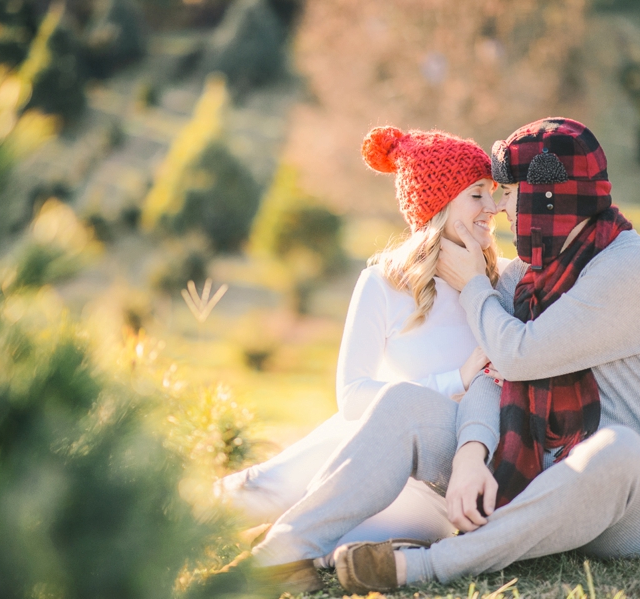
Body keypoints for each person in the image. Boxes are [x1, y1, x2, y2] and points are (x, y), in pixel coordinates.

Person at [245, 117, 640, 595]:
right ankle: (280, 554)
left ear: (551, 196)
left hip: (639, 498)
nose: (501, 208)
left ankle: (422, 566)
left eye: (511, 193)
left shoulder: (636, 268)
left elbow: (520, 355)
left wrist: (473, 288)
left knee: (617, 450)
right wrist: (469, 455)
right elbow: (490, 374)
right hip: (534, 469)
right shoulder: (524, 275)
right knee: (402, 405)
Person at [215, 126, 509, 567]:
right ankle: (174, 517)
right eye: (476, 195)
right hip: (370, 449)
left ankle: (279, 537)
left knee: (335, 548)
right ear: (440, 204)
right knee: (264, 490)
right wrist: (456, 379)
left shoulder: (502, 283)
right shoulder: (384, 283)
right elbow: (352, 397)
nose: (493, 208)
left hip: (444, 481)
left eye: (493, 193)